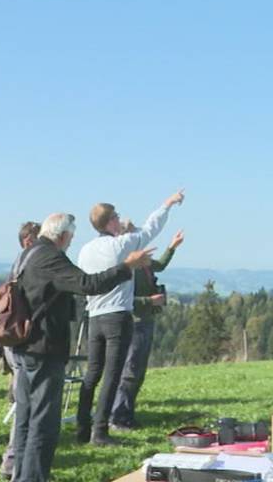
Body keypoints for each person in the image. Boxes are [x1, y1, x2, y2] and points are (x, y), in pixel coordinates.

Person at [10, 213, 153, 482]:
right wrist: (126, 266)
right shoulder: (50, 257)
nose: (70, 243)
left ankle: (22, 475)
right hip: (44, 347)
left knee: (25, 420)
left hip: (24, 345)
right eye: (71, 238)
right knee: (44, 422)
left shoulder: (27, 255)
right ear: (63, 236)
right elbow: (88, 285)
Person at [75, 189, 184, 445]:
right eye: (117, 216)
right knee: (112, 376)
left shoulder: (85, 250)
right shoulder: (120, 245)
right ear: (111, 221)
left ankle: (82, 428)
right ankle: (100, 433)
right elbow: (149, 229)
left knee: (92, 374)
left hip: (94, 316)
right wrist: (166, 203)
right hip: (117, 316)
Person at [110, 228, 184, 430]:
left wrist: (171, 247)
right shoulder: (123, 266)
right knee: (130, 371)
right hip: (135, 321)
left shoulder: (141, 261)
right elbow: (121, 300)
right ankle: (118, 416)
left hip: (145, 319)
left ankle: (126, 413)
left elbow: (158, 266)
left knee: (137, 371)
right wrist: (149, 301)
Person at [0, 221, 41, 480]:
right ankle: (13, 463)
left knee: (23, 405)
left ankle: (13, 462)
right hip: (21, 342)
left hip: (12, 341)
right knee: (25, 407)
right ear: (28, 241)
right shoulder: (29, 266)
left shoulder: (19, 265)